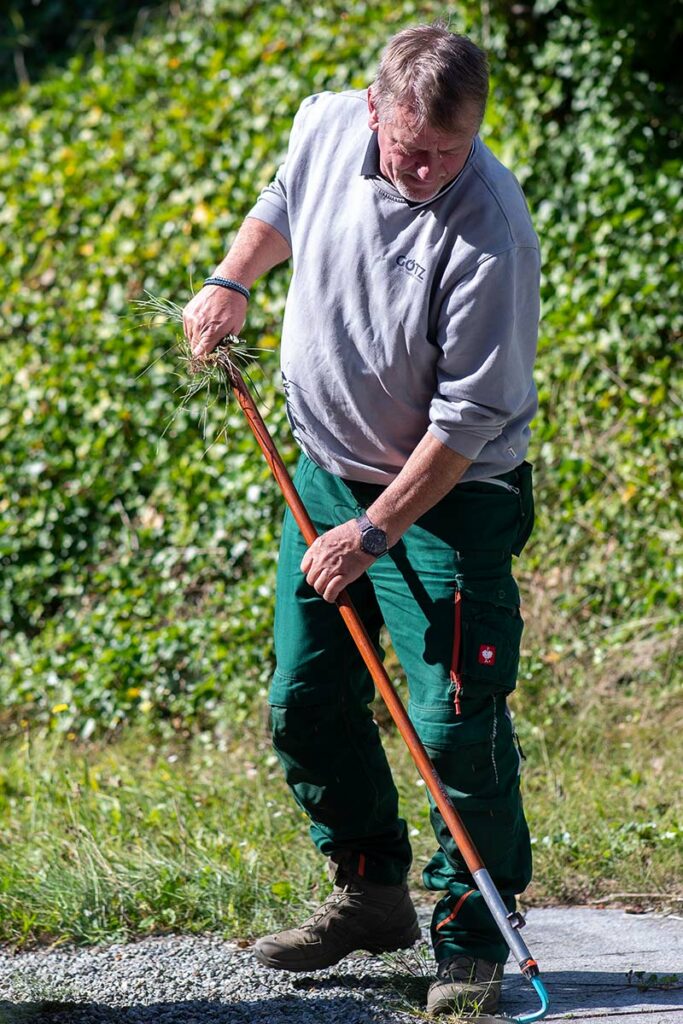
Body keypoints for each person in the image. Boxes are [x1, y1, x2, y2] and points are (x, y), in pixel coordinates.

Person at [183, 21, 540, 1018]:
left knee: (452, 722)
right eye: (409, 148)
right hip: (324, 477)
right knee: (304, 701)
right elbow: (284, 201)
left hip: (444, 503)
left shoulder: (491, 232)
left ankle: (473, 941)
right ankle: (370, 893)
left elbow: (466, 424)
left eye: (449, 152)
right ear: (374, 107)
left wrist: (374, 531)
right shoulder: (328, 125)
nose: (426, 171)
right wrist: (231, 278)